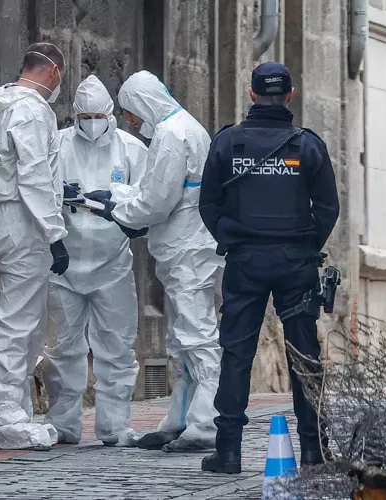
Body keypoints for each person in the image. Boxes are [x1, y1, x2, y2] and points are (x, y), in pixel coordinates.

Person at [196, 62, 340, 474]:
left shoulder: (228, 142)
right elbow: (328, 208)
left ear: (252, 93)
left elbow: (208, 204)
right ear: (290, 95)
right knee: (304, 355)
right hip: (296, 264)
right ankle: (313, 450)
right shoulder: (308, 146)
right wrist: (306, 245)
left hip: (245, 262)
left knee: (236, 353)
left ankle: (228, 452)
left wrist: (232, 238)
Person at [82, 70, 223, 452]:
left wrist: (117, 210)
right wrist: (116, 194)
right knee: (181, 339)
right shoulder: (181, 127)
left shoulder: (171, 134)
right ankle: (180, 418)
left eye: (130, 109)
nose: (129, 119)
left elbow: (158, 201)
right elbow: (157, 189)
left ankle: (206, 423)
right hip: (186, 248)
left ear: (143, 103)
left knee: (197, 337)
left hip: (187, 249)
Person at [43, 75, 150, 447]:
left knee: (117, 347)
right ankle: (63, 423)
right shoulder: (57, 144)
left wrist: (116, 204)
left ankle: (114, 426)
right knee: (63, 347)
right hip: (64, 263)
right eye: (85, 117)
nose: (91, 123)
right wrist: (59, 198)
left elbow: (147, 199)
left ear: (110, 115)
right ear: (75, 116)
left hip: (112, 264)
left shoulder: (131, 150)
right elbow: (39, 191)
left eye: (98, 116)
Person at [0, 42, 67, 449]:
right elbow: (35, 176)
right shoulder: (31, 110)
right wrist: (55, 233)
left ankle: (3, 410)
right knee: (17, 321)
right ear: (54, 72)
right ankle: (8, 415)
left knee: (17, 316)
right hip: (20, 219)